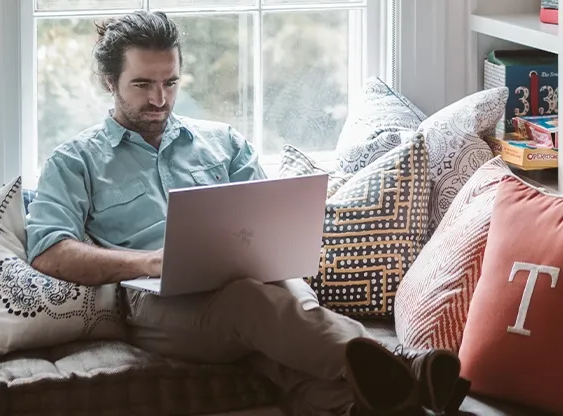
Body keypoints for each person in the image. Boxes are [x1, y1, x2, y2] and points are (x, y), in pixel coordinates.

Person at [23, 11, 462, 416]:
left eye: (171, 82)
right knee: (251, 303)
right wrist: (150, 262)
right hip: (155, 305)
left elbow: (270, 219)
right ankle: (407, 367)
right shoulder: (76, 160)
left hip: (254, 288)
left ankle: (377, 404)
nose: (160, 98)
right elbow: (49, 252)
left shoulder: (223, 143)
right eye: (142, 85)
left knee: (277, 330)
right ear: (108, 80)